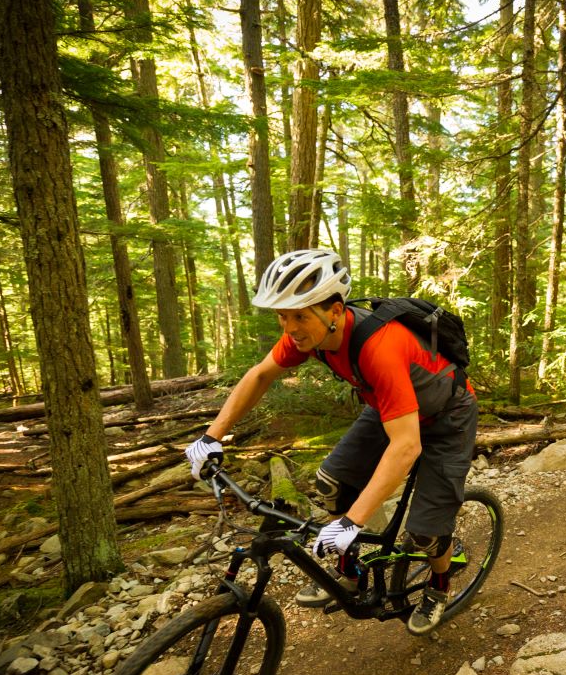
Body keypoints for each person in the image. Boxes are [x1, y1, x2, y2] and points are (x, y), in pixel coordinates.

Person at [184, 250, 477, 635]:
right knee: (330, 485)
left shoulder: (380, 347)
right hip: (389, 407)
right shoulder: (309, 335)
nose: (290, 328)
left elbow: (406, 447)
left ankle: (439, 585)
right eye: (283, 316)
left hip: (447, 418)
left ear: (335, 312)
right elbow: (259, 376)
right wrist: (211, 436)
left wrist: (351, 522)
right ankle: (351, 572)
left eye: (300, 315)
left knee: (426, 533)